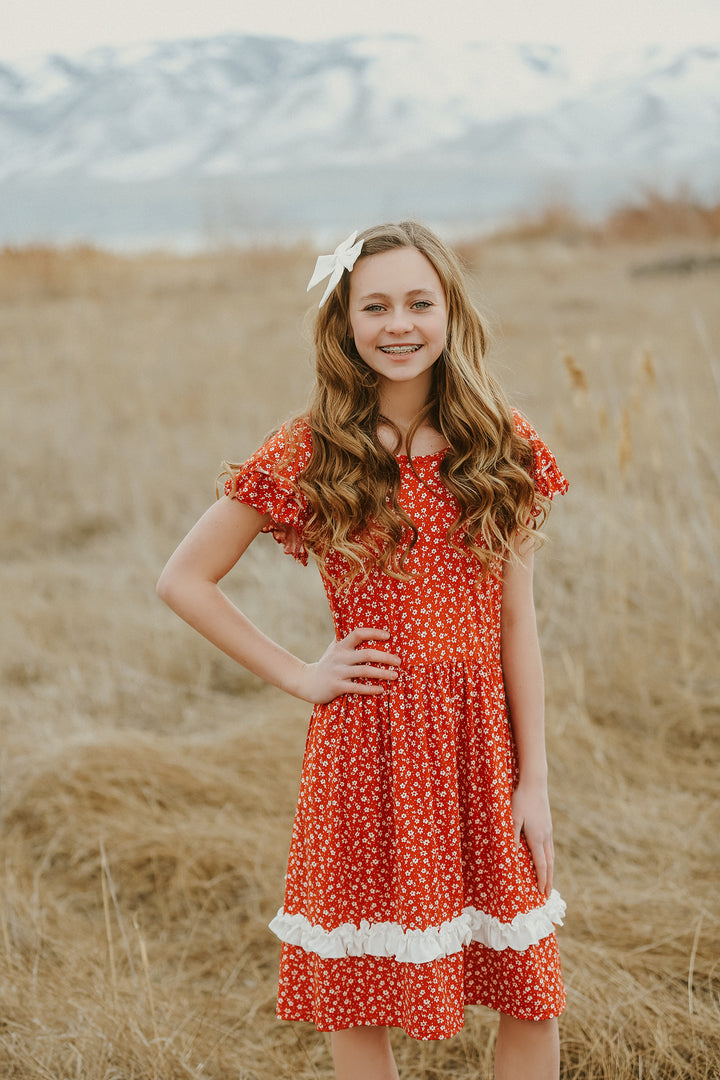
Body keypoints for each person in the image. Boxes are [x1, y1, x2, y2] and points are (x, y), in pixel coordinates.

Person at [157, 221, 569, 1080]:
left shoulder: (501, 447)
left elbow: (515, 626)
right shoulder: (312, 448)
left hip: (477, 752)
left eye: (420, 302)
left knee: (529, 989)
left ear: (451, 311)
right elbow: (185, 579)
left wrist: (533, 781)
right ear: (345, 322)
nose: (399, 325)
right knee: (359, 991)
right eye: (374, 305)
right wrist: (302, 674)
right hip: (365, 750)